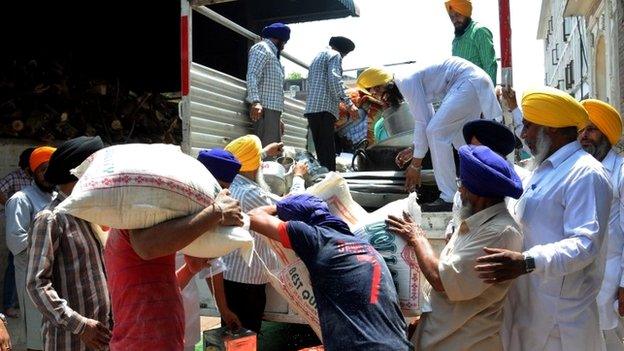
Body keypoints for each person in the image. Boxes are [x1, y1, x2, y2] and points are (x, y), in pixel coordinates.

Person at [474, 87, 612, 351]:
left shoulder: (585, 173)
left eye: (528, 126)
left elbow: (585, 245)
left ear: (554, 129)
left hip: (562, 323)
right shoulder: (541, 170)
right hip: (528, 311)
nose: (523, 134)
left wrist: (526, 262)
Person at [387, 145, 522, 350]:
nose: (459, 190)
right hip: (441, 335)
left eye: (462, 184)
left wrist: (417, 238)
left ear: (479, 194)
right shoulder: (475, 220)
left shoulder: (499, 232)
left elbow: (441, 279)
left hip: (465, 343)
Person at [248, 194, 413, 351]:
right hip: (399, 344)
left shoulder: (316, 238)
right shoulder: (365, 246)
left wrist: (278, 207)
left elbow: (254, 217)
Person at [104, 188, 243, 351]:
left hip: (167, 340)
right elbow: (145, 247)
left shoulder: (151, 225)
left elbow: (157, 290)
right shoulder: (134, 220)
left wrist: (189, 270)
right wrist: (216, 212)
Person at [356, 57, 502, 211]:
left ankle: (448, 197)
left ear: (386, 84)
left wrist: (415, 165)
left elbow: (424, 124)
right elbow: (428, 118)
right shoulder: (409, 79)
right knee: (461, 142)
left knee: (436, 132)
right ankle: (481, 188)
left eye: (378, 90)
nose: (379, 96)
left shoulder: (405, 81)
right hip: (474, 82)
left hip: (468, 82)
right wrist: (414, 150)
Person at [205, 136, 306, 334]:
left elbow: (251, 158)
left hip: (227, 276)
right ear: (255, 166)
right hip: (247, 283)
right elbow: (291, 203)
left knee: (231, 336)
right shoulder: (252, 194)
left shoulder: (227, 187)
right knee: (244, 337)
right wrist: (298, 176)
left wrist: (266, 151)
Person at [26, 136, 112, 351]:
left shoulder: (91, 214)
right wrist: (80, 326)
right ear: (79, 173)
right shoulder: (51, 218)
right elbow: (37, 285)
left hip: (103, 338)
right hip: (69, 341)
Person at [578, 99, 624, 350]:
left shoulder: (620, 172)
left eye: (592, 129)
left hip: (612, 276)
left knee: (612, 339)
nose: (584, 136)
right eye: (582, 130)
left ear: (607, 134)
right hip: (582, 276)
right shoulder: (580, 171)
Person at [5, 146, 56, 351]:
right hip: (32, 277)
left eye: (50, 169)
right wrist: (48, 248)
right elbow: (16, 241)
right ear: (31, 173)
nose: (47, 174)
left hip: (56, 275)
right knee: (37, 335)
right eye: (42, 169)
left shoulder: (57, 198)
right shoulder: (21, 200)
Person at [445, 119, 527, 239]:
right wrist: (452, 228)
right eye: (471, 148)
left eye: (480, 150)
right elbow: (460, 211)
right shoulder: (468, 178)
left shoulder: (523, 180)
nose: (473, 154)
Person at [305, 36, 357, 171]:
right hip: (325, 108)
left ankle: (323, 182)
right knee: (328, 154)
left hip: (312, 109)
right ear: (343, 52)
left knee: (321, 153)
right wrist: (349, 104)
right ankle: (330, 183)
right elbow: (335, 80)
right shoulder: (335, 55)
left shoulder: (317, 57)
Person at [0, 147, 34, 318]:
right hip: (18, 231)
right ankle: (9, 304)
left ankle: (26, 303)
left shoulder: (38, 180)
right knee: (14, 266)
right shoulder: (15, 176)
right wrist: (9, 205)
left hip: (34, 231)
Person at [246, 22, 291, 146]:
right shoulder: (262, 48)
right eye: (284, 42)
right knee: (267, 151)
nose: (284, 47)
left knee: (274, 150)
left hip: (272, 111)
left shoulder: (273, 55)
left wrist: (278, 119)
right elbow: (252, 74)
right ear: (279, 39)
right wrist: (255, 101)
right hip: (264, 109)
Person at [445, 0, 497, 83]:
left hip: (479, 92)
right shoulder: (456, 41)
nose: (455, 20)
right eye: (452, 17)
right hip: (461, 92)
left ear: (465, 13)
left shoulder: (479, 32)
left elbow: (490, 65)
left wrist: (488, 93)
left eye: (458, 15)